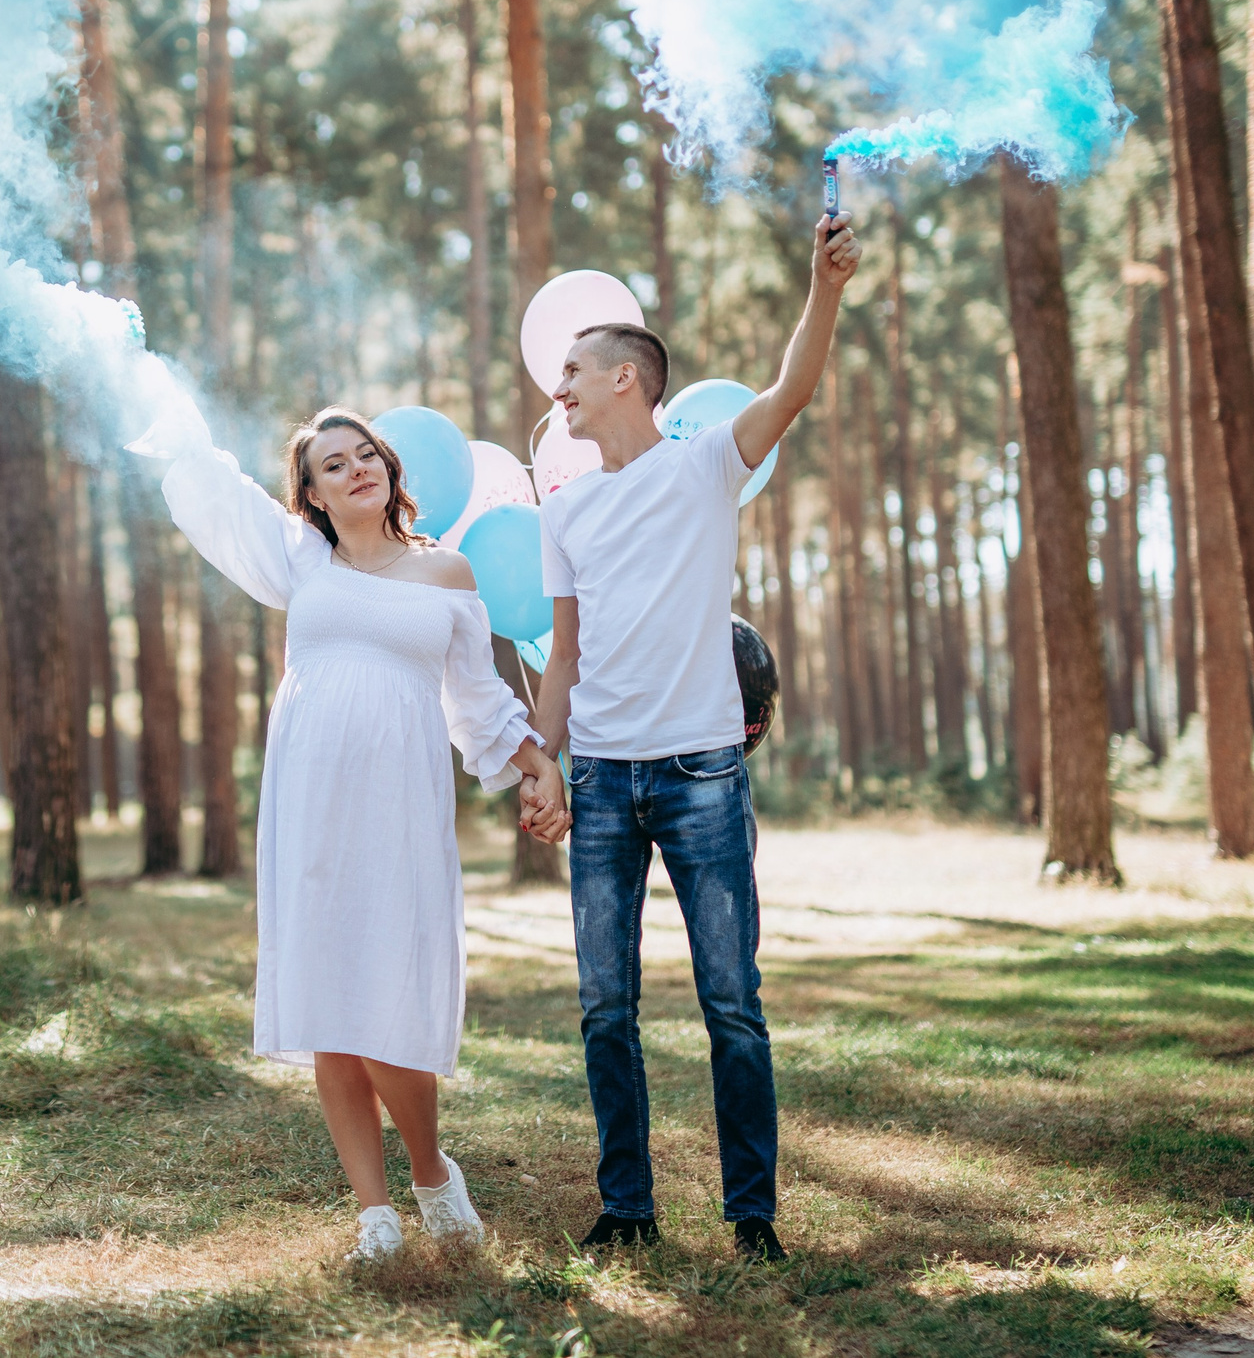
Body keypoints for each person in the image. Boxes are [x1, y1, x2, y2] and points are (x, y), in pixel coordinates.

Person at [145, 404, 568, 1263]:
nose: (356, 468)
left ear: (390, 468)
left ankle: (429, 1169)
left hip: (399, 801)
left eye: (366, 453)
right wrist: (174, 423)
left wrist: (537, 765)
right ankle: (373, 1212)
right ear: (311, 494)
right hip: (311, 799)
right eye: (333, 464)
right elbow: (220, 498)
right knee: (329, 995)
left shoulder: (446, 572)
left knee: (389, 996)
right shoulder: (302, 561)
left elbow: (477, 700)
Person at [526, 213, 862, 1262]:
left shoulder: (705, 466)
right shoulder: (564, 513)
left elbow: (790, 389)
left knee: (732, 1006)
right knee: (603, 1011)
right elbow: (564, 660)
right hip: (601, 785)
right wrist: (541, 761)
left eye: (574, 370)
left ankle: (750, 1220)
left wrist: (825, 285)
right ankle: (627, 1209)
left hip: (702, 775)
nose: (560, 388)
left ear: (628, 377)